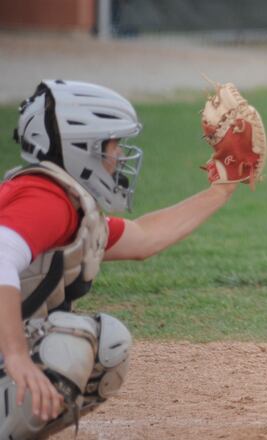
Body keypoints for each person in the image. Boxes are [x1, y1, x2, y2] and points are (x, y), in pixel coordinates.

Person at [0, 79, 247, 439]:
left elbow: (144, 237)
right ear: (81, 148)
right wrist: (18, 357)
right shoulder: (46, 199)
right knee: (66, 348)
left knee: (106, 345)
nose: (119, 157)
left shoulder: (63, 200)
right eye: (112, 145)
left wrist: (223, 189)